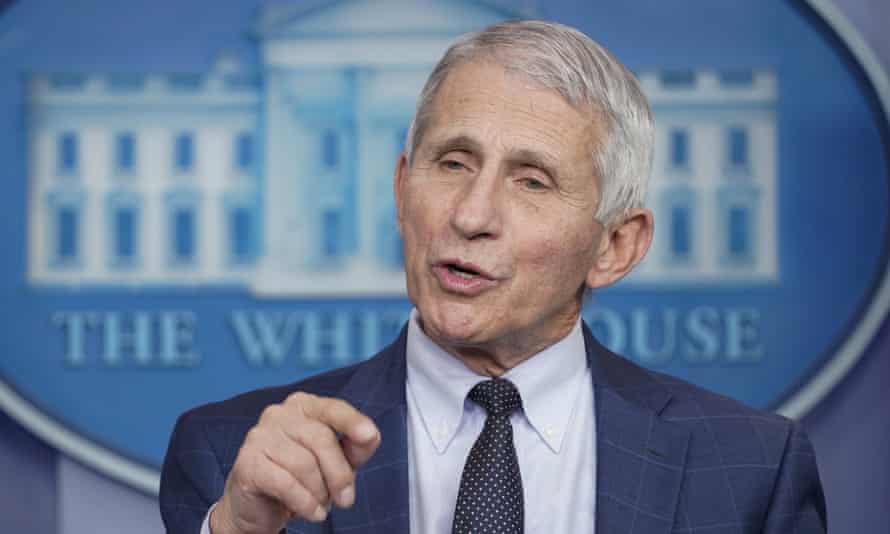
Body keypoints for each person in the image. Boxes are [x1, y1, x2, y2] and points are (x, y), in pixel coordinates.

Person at [160, 20, 826, 534]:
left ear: (615, 247)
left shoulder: (752, 470)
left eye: (531, 181)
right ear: (400, 191)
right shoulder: (232, 456)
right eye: (452, 164)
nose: (471, 214)